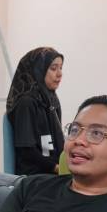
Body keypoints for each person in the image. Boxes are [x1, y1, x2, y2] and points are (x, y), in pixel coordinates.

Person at [6, 47, 65, 175]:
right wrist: (56, 168)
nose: (60, 74)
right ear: (38, 71)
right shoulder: (26, 103)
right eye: (53, 68)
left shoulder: (52, 99)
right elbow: (27, 151)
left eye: (61, 68)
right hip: (34, 176)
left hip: (53, 172)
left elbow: (59, 143)